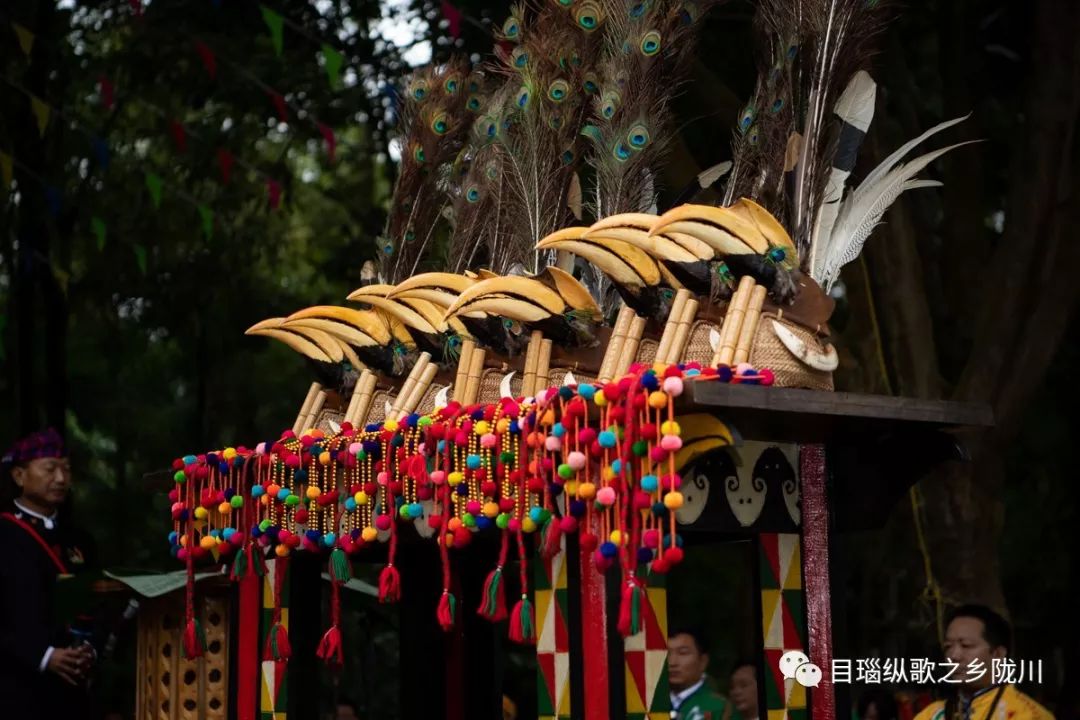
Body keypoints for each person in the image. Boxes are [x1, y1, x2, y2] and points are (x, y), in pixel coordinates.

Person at [0, 428, 97, 720]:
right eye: (50, 469)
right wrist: (43, 656)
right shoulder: (4, 534)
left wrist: (90, 650)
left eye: (66, 469)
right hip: (16, 690)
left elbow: (97, 602)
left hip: (73, 691)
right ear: (19, 476)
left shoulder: (80, 540)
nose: (60, 479)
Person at [913, 604, 1053, 720]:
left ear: (998, 654)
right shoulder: (930, 715)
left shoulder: (1027, 715)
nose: (954, 656)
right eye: (948, 646)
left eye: (966, 645)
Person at [667, 627, 732, 720]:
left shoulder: (719, 707)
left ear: (703, 661)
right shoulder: (651, 705)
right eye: (666, 653)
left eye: (683, 653)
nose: (672, 662)